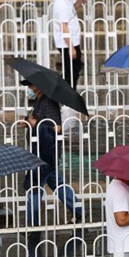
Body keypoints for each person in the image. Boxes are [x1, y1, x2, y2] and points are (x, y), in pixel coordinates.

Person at [21, 80, 82, 247]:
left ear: (40, 86)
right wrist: (28, 122)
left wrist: (36, 125)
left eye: (32, 85)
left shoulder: (48, 102)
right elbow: (39, 121)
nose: (29, 89)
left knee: (33, 186)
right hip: (41, 152)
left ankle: (33, 223)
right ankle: (78, 210)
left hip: (45, 153)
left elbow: (57, 128)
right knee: (57, 184)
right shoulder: (40, 101)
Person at [52, 0, 86, 90]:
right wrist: (70, 47)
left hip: (73, 41)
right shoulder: (60, 4)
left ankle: (69, 94)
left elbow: (71, 11)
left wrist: (79, 2)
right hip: (67, 43)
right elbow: (64, 27)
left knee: (74, 70)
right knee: (71, 72)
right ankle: (67, 96)